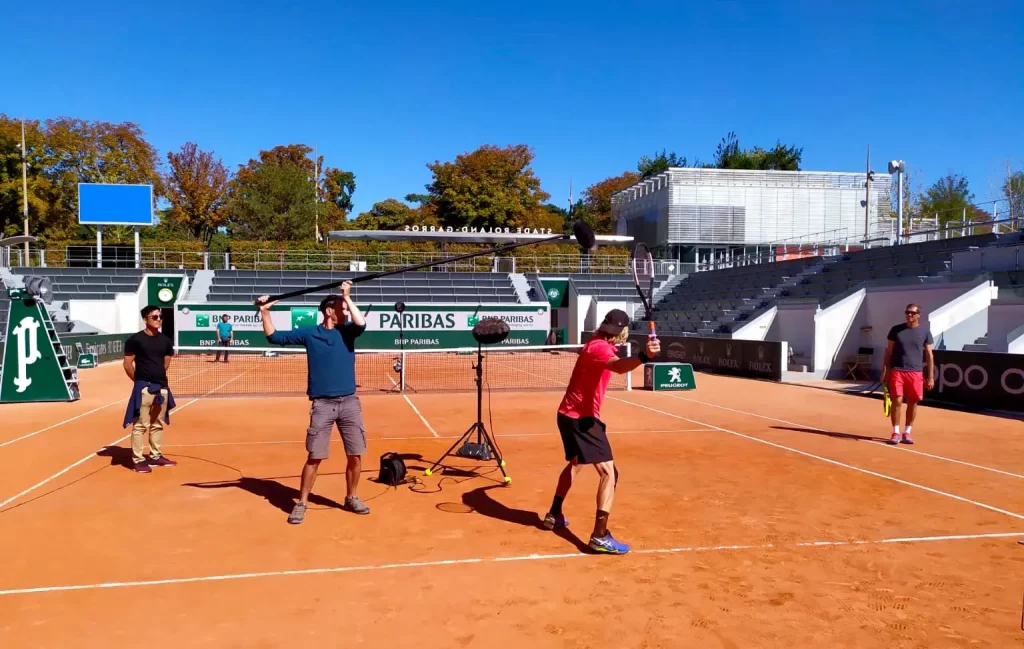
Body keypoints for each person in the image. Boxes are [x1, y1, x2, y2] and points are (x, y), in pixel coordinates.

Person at [542, 309, 660, 555]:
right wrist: (645, 356)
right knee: (610, 473)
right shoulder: (599, 349)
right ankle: (600, 535)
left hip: (566, 414)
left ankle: (554, 514)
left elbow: (615, 360)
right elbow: (618, 367)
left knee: (575, 464)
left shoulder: (596, 342)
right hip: (582, 420)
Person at [258, 280, 369, 524]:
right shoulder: (310, 333)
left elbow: (361, 322)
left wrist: (347, 296)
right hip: (322, 405)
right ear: (329, 311)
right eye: (341, 308)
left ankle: (352, 497)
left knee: (355, 454)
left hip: (349, 402)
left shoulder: (348, 331)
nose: (346, 312)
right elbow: (274, 338)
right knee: (315, 457)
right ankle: (302, 502)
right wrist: (265, 312)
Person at [122, 305, 177, 473]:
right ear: (145, 319)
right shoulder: (135, 340)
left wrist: (158, 378)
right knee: (140, 425)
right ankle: (138, 460)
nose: (159, 319)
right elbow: (127, 363)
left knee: (157, 423)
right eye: (154, 317)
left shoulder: (166, 340)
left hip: (161, 387)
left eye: (160, 317)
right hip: (144, 387)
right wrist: (139, 381)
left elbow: (166, 362)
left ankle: (155, 456)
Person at [881, 303, 935, 445]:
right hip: (897, 371)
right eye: (907, 312)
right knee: (897, 401)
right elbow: (888, 352)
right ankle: (895, 432)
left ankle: (907, 432)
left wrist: (930, 376)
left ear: (918, 315)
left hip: (916, 373)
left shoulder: (924, 332)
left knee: (912, 402)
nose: (909, 315)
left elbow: (929, 354)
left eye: (912, 313)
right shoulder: (896, 330)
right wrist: (884, 371)